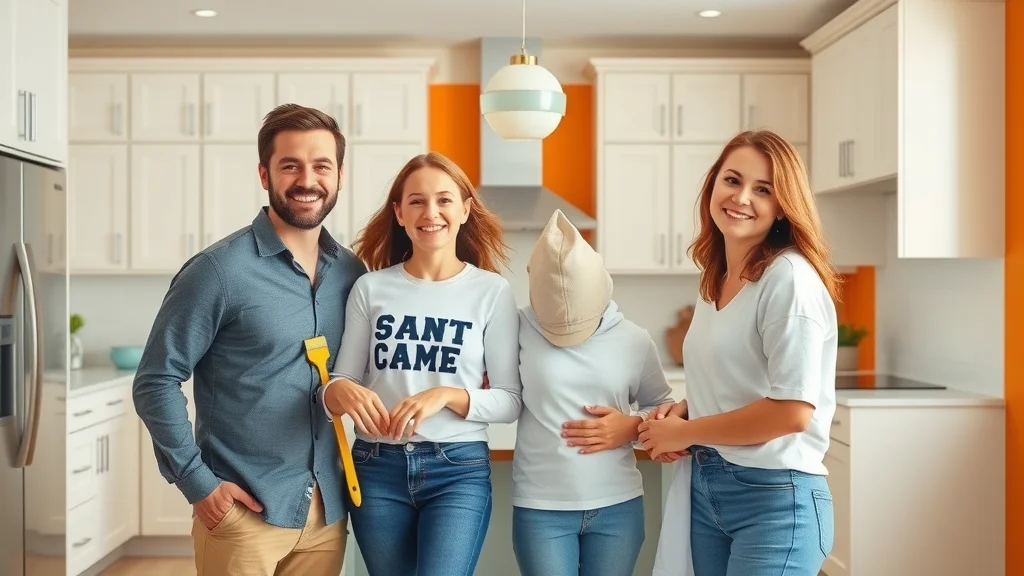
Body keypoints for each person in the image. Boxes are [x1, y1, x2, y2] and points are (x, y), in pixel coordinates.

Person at [132, 103, 367, 576]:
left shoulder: (353, 273)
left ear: (339, 175)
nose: (307, 180)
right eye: (290, 165)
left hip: (327, 512)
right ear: (264, 174)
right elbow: (156, 381)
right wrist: (199, 484)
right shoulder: (218, 271)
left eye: (321, 165)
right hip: (243, 511)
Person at [639, 129, 840, 576]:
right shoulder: (717, 278)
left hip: (774, 501)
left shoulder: (789, 280)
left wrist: (688, 433)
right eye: (732, 180)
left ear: (782, 206)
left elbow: (791, 411)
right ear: (713, 184)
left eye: (763, 189)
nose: (741, 197)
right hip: (712, 487)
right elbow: (742, 380)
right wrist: (687, 413)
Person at [320, 151, 522, 576]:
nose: (431, 212)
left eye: (445, 200)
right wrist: (336, 392)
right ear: (399, 212)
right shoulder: (369, 288)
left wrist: (445, 395)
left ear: (465, 209)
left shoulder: (492, 292)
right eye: (416, 201)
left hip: (458, 470)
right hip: (376, 468)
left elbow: (509, 402)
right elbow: (341, 384)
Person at [509, 209, 676, 576]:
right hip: (541, 508)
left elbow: (663, 406)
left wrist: (631, 427)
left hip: (619, 507)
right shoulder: (515, 327)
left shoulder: (634, 339)